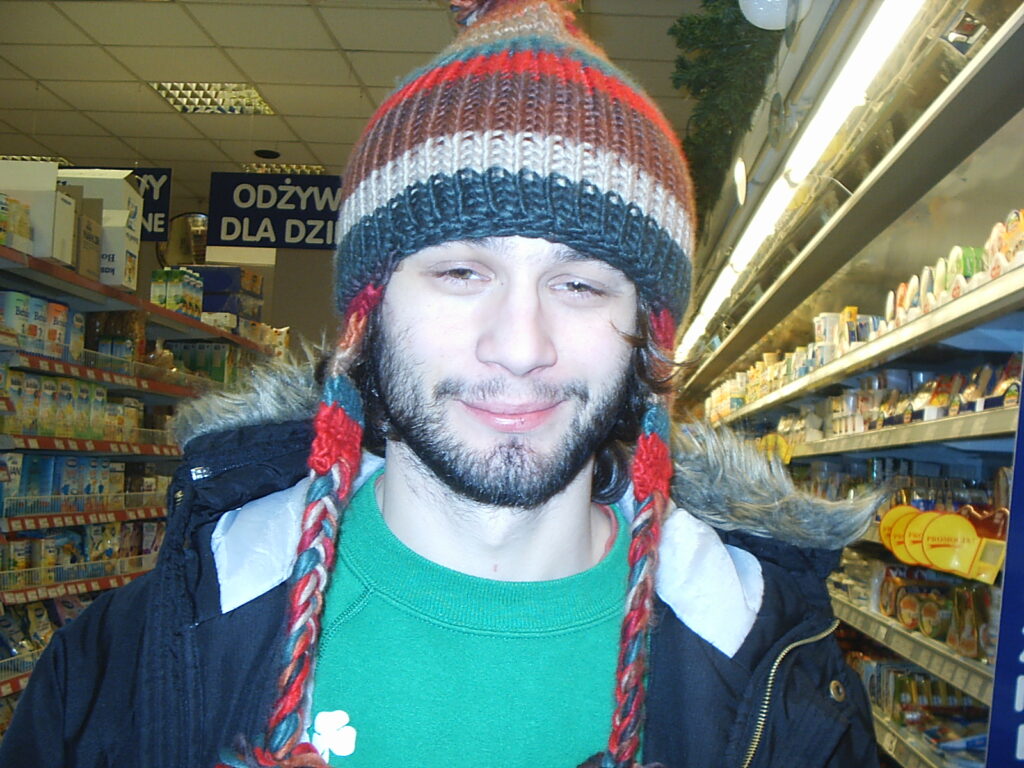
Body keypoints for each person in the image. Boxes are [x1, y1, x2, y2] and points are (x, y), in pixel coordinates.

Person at [0, 1, 881, 767]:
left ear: (648, 339)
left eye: (580, 284)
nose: (520, 346)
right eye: (461, 272)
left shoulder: (784, 685)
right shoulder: (118, 668)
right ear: (367, 316)